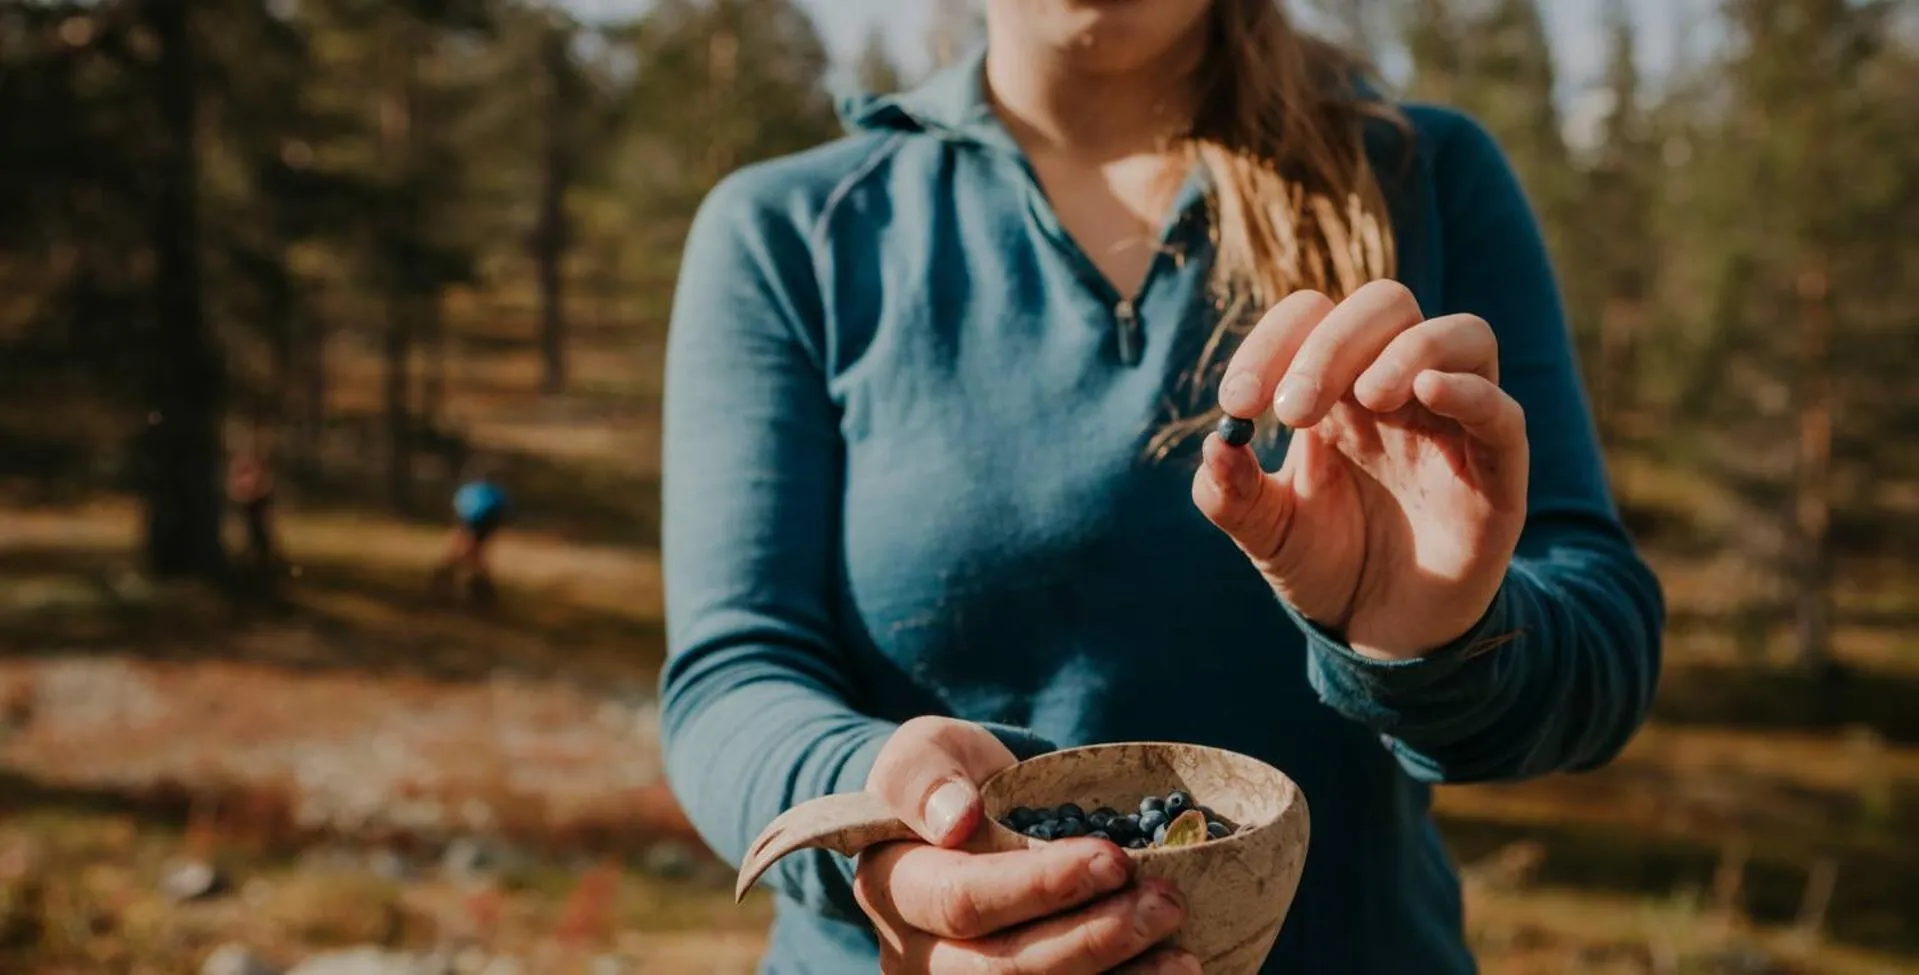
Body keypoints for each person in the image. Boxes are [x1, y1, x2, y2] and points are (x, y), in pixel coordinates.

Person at [658, 2, 1666, 973]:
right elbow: (731, 679)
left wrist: (1435, 636)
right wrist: (882, 814)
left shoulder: (1419, 179)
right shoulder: (793, 232)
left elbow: (1600, 650)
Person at [433, 464, 509, 606]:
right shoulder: (489, 492)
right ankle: (448, 587)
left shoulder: (475, 491)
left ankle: (476, 592)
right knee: (468, 556)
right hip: (476, 522)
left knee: (467, 555)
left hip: (476, 522)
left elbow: (460, 507)